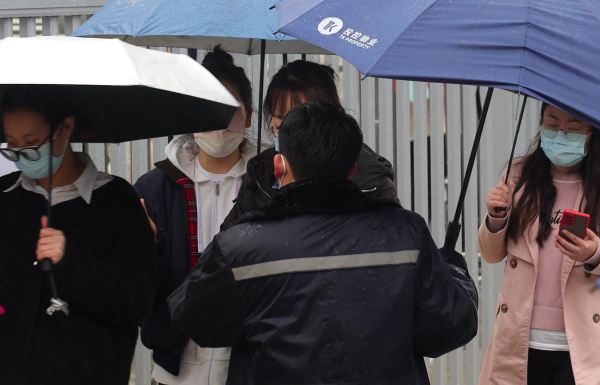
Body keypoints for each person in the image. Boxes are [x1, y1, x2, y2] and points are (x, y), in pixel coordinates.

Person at [168, 101, 479, 385]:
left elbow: (193, 317)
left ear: (279, 166)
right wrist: (454, 267)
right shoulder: (406, 234)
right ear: (353, 169)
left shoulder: (242, 246)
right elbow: (448, 327)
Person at [477, 103, 600, 385]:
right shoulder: (517, 177)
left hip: (585, 347)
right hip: (520, 341)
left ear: (594, 134)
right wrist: (496, 217)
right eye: (552, 124)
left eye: (574, 129)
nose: (561, 134)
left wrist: (596, 254)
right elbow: (491, 254)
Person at [0, 85, 155, 385]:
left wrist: (69, 262)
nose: (22, 155)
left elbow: (137, 299)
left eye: (32, 143)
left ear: (66, 127)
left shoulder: (115, 201)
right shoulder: (5, 198)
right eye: (12, 145)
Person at [133, 46, 255, 385]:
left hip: (249, 364)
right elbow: (140, 288)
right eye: (206, 107)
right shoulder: (154, 188)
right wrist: (146, 246)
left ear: (249, 115)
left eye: (229, 109)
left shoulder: (268, 185)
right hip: (176, 366)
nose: (218, 124)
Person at [222, 60, 398, 228]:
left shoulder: (371, 178)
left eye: (301, 118)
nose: (290, 130)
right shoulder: (261, 174)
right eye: (280, 119)